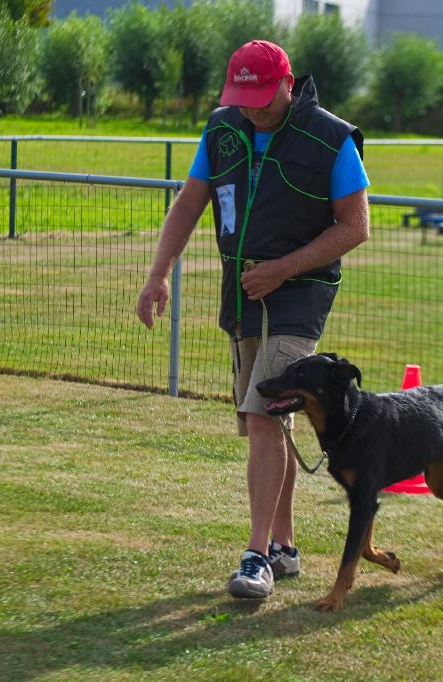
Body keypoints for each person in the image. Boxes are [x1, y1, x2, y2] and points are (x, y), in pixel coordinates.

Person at [136, 39, 370, 599]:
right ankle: (285, 546)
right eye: (242, 99)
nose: (252, 109)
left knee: (265, 417)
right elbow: (190, 201)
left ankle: (255, 556)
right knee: (266, 422)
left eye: (262, 99)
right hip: (242, 297)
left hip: (300, 297)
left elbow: (355, 226)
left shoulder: (332, 138)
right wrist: (158, 273)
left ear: (289, 83)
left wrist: (283, 270)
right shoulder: (221, 130)